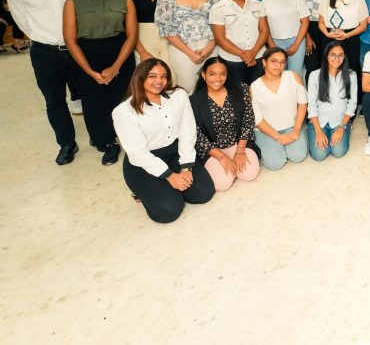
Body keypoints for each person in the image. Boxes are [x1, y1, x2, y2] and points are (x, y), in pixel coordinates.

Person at [7, 0, 88, 163]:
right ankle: (67, 144)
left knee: (91, 96)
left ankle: (101, 139)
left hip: (79, 48)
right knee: (54, 101)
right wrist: (47, 39)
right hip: (45, 52)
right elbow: (23, 23)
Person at [112, 59, 214, 223]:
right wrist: (170, 176)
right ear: (140, 77)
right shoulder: (123, 111)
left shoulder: (179, 96)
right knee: (169, 211)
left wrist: (186, 167)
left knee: (204, 193)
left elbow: (187, 130)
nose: (159, 81)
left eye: (163, 76)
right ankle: (141, 192)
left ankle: (166, 190)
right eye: (152, 76)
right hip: (143, 163)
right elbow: (137, 153)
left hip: (175, 152)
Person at [62, 0, 138, 166]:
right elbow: (70, 40)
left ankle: (129, 140)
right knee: (94, 102)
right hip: (85, 55)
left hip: (119, 53)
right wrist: (89, 71)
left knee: (122, 101)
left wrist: (116, 67)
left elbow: (131, 36)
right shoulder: (73, 2)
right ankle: (107, 143)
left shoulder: (125, 1)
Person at [190, 57, 259, 191]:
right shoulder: (193, 101)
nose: (218, 78)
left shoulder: (241, 89)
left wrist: (240, 151)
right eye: (212, 74)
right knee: (222, 184)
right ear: (203, 74)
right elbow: (196, 134)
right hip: (213, 149)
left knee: (249, 174)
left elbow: (248, 119)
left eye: (223, 74)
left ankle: (237, 164)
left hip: (238, 143)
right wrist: (221, 157)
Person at [155, 0, 220, 93]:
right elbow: (167, 30)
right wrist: (190, 53)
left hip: (211, 47)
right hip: (182, 51)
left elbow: (220, 24)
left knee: (214, 88)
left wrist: (210, 47)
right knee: (189, 90)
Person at [250, 47, 308, 170]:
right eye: (274, 61)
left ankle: (282, 146)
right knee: (275, 163)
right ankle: (269, 147)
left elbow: (303, 103)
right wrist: (277, 137)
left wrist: (297, 129)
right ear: (264, 62)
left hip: (291, 126)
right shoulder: (254, 87)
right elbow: (257, 119)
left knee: (298, 156)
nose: (278, 65)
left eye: (282, 62)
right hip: (266, 131)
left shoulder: (293, 76)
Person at [209, 0, 269, 84]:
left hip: (258, 56)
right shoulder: (218, 8)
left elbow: (264, 30)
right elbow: (219, 38)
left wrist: (253, 53)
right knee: (236, 91)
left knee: (257, 90)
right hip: (231, 59)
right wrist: (243, 55)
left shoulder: (257, 4)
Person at [306, 40, 358, 161]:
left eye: (340, 55)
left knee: (338, 152)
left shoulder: (351, 75)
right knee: (319, 155)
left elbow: (352, 104)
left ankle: (347, 128)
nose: (337, 59)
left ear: (344, 57)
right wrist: (318, 132)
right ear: (326, 56)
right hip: (318, 121)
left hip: (340, 121)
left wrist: (341, 128)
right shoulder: (314, 75)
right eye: (333, 55)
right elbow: (311, 105)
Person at [319, 0, 369, 81]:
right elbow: (321, 22)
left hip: (350, 38)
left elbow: (363, 26)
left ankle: (351, 92)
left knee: (351, 70)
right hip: (330, 37)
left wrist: (347, 35)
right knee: (330, 70)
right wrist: (327, 34)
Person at [260, 0, 310, 76]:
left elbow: (305, 22)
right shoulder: (265, 2)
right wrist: (272, 46)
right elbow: (265, 27)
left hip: (296, 40)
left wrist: (296, 44)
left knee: (295, 74)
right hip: (275, 42)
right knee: (277, 73)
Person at [296, 0, 330, 76]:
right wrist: (307, 37)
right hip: (309, 28)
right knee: (312, 69)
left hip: (328, 29)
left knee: (327, 66)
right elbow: (298, 16)